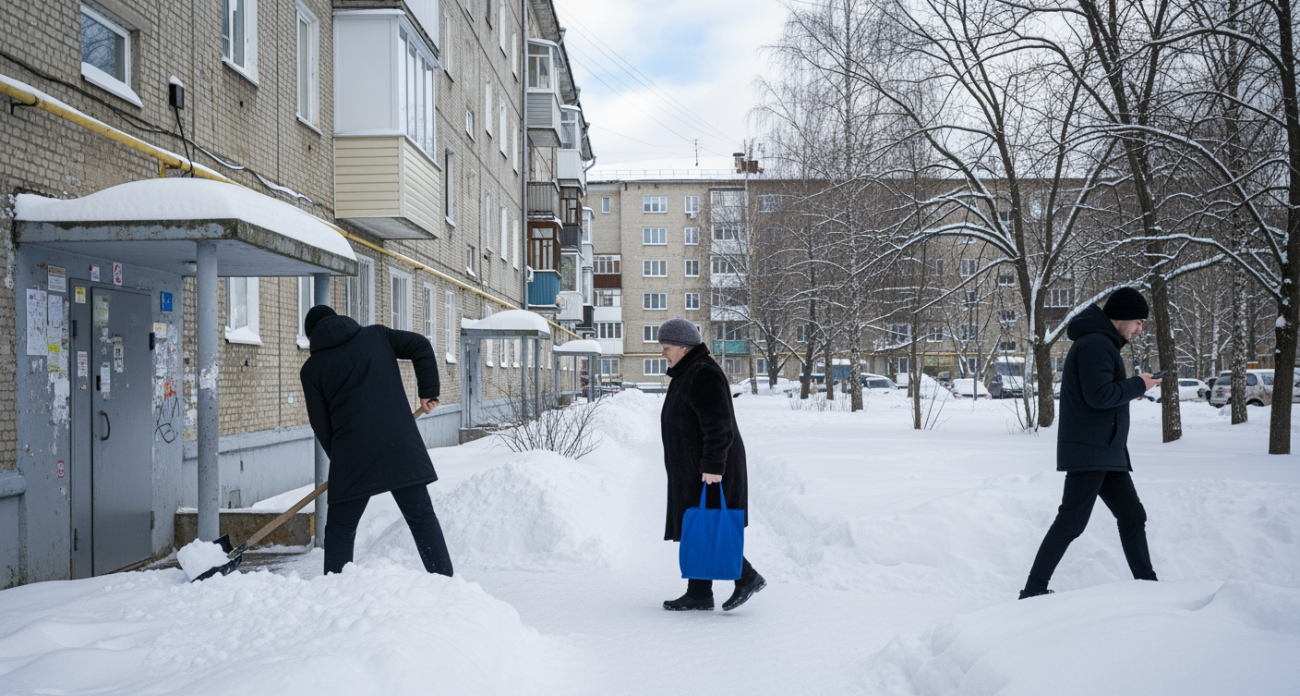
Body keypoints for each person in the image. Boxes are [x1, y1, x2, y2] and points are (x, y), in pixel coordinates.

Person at [1019, 287, 1160, 599]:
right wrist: (1140, 384)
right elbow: (1100, 396)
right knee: (1071, 522)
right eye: (1138, 321)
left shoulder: (1102, 342)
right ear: (1121, 317)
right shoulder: (1096, 344)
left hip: (1105, 450)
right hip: (1091, 449)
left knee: (1132, 515)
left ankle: (1149, 586)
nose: (1140, 329)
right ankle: (1032, 590)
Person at [299, 305, 453, 577]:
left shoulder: (312, 369)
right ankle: (445, 581)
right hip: (400, 443)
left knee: (340, 529)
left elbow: (320, 423)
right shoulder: (377, 336)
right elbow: (420, 345)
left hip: (353, 453)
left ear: (310, 338)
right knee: (421, 518)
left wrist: (343, 461)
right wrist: (428, 391)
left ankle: (335, 589)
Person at [657, 318, 765, 611]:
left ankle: (747, 577)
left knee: (709, 526)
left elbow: (719, 426)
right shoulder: (688, 371)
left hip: (709, 468)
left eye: (666, 348)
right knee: (698, 527)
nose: (664, 353)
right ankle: (699, 593)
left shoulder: (702, 373)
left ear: (682, 346)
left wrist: (714, 466)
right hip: (695, 466)